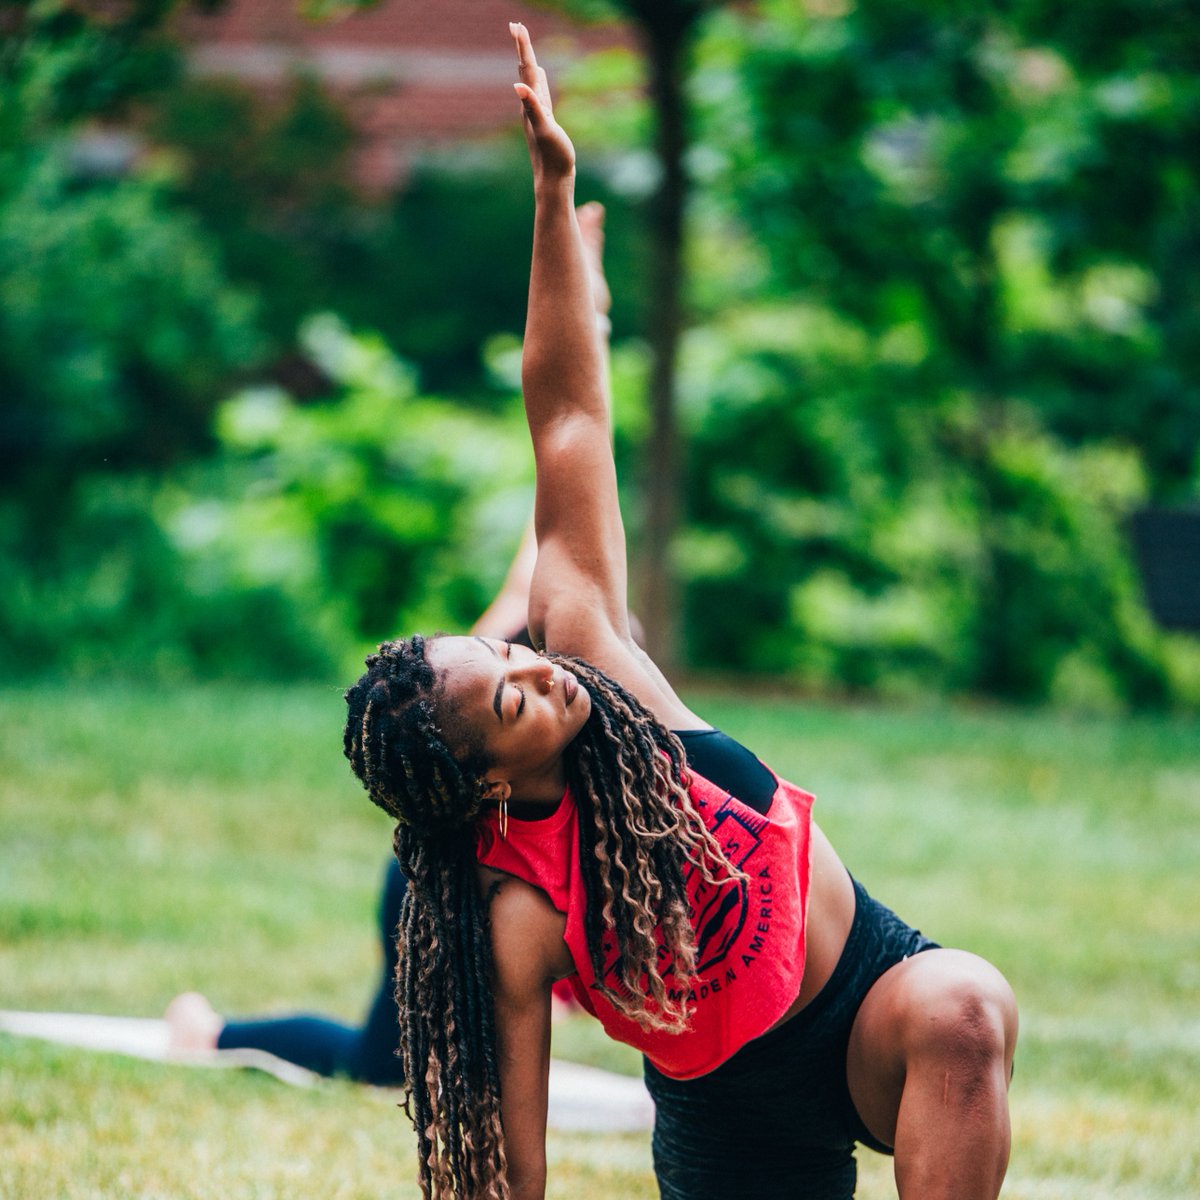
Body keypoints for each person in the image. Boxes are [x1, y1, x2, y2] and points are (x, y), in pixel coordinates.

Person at [342, 23, 1018, 1200]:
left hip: (865, 997)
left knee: (965, 1004)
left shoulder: (600, 664)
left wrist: (553, 196)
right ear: (489, 783)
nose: (540, 669)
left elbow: (568, 419)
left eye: (512, 659)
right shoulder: (519, 909)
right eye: (513, 702)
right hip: (732, 1115)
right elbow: (510, 1161)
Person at [165, 200, 615, 1081]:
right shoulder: (494, 662)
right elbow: (562, 467)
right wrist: (582, 318)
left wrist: (589, 315)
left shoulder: (563, 652)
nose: (534, 673)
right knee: (383, 1065)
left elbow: (582, 450)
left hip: (534, 877)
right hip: (441, 881)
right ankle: (210, 1033)